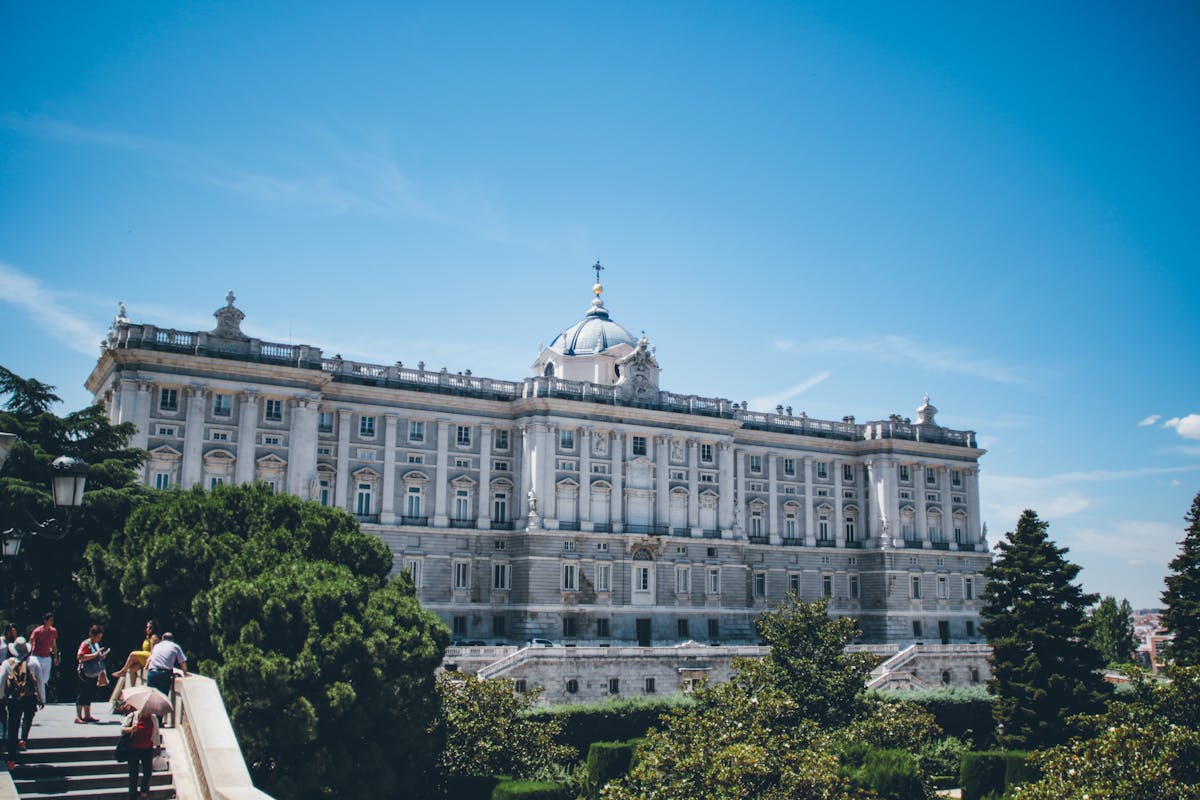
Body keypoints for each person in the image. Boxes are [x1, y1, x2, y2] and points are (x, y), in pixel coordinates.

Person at [1, 638, 40, 770]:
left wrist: (2, 697)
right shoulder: (33, 662)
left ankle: (11, 759)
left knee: (13, 726)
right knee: (28, 717)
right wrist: (42, 698)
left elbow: (1, 681)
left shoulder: (7, 663)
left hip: (14, 698)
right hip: (29, 697)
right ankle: (23, 738)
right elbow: (39, 682)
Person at [121, 702, 158, 800]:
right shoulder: (133, 716)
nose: (147, 712)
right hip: (133, 749)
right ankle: (132, 795)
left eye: (148, 710)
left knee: (148, 772)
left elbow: (156, 733)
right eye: (145, 710)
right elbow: (122, 729)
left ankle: (143, 791)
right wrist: (131, 729)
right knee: (133, 773)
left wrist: (158, 747)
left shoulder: (153, 718)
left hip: (147, 749)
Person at [75, 625, 110, 724]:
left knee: (89, 692)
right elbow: (80, 657)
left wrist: (101, 656)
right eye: (98, 637)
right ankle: (78, 716)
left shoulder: (96, 645)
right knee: (83, 692)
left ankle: (87, 715)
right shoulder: (85, 644)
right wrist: (95, 655)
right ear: (92, 635)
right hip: (85, 671)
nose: (99, 639)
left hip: (93, 671)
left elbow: (96, 656)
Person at [112, 620, 161, 687]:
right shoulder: (148, 637)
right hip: (145, 656)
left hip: (150, 657)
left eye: (150, 627)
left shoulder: (154, 637)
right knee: (132, 669)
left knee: (133, 654)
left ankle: (123, 671)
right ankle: (132, 687)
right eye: (147, 627)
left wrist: (148, 663)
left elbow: (153, 652)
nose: (148, 629)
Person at [28, 612, 58, 706]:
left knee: (45, 679)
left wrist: (55, 657)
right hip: (36, 656)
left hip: (46, 657)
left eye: (52, 620)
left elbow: (54, 645)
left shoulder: (53, 631)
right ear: (45, 620)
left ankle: (38, 693)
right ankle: (41, 699)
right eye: (50, 620)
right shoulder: (37, 631)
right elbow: (31, 642)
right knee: (39, 678)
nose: (52, 622)